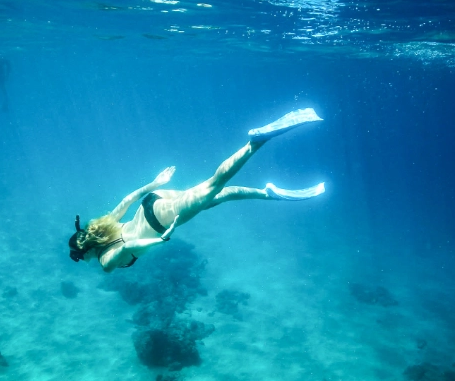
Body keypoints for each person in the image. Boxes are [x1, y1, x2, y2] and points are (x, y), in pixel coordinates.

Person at [68, 108, 326, 272]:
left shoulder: (104, 262)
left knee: (214, 185)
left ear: (87, 251)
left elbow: (127, 248)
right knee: (218, 197)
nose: (87, 261)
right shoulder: (106, 224)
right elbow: (128, 199)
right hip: (154, 202)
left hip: (163, 219)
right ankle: (267, 193)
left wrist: (159, 240)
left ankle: (254, 143)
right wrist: (157, 184)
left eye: (82, 258)